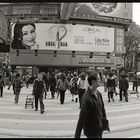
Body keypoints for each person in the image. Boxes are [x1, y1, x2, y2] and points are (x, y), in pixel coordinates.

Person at [75, 71, 109, 138]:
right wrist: (77, 136)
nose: (100, 80)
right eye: (98, 79)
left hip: (99, 129)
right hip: (91, 131)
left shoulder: (98, 94)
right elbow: (81, 118)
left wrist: (105, 124)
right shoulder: (86, 98)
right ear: (93, 82)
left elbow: (102, 110)